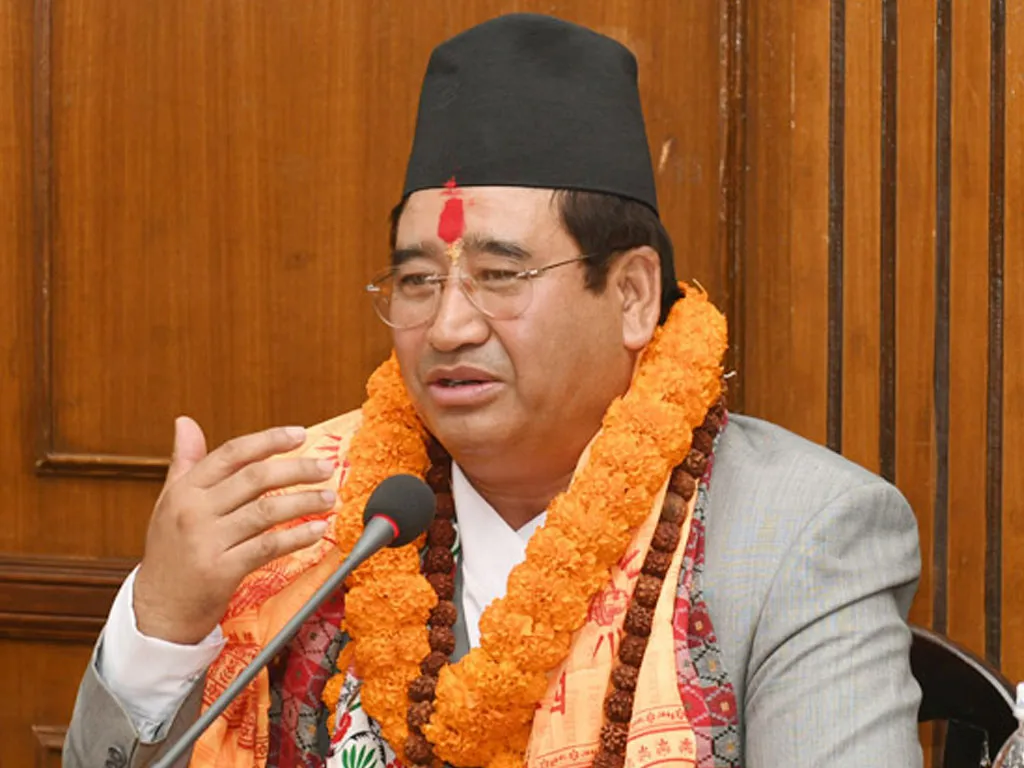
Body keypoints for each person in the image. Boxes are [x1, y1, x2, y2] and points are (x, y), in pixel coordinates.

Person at [63, 12, 923, 768]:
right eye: (416, 281)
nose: (447, 327)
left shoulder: (801, 536)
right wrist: (162, 624)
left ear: (632, 295)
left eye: (500, 275)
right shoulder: (301, 510)